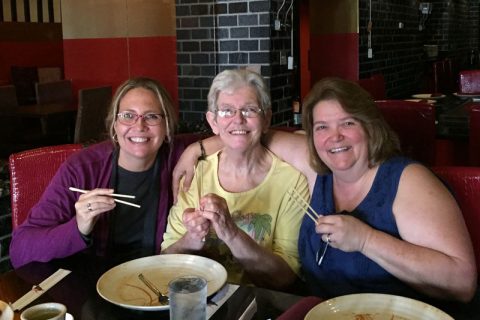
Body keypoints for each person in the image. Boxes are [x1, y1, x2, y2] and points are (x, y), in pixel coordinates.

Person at [173, 77, 477, 304]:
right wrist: (197, 148)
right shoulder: (319, 170)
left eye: (347, 122)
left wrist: (366, 239)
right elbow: (250, 134)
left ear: (370, 126)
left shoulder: (406, 180)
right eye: (321, 127)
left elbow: (463, 283)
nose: (334, 137)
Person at [10, 77, 195, 268]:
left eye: (152, 116)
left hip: (157, 277)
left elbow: (226, 135)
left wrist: (198, 149)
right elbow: (19, 250)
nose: (139, 126)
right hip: (93, 284)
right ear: (114, 124)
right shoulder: (83, 168)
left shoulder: (177, 154)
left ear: (167, 127)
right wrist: (79, 227)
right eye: (128, 116)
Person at [161, 69, 309, 291]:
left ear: (266, 118)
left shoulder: (292, 181)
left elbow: (285, 277)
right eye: (227, 111)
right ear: (213, 122)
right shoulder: (196, 173)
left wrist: (231, 233)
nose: (238, 119)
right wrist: (191, 239)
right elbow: (164, 261)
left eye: (249, 110)